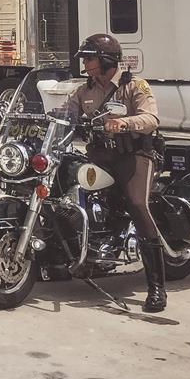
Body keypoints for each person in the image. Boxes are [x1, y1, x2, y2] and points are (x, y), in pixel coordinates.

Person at [65, 33, 167, 313]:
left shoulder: (133, 86)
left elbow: (151, 119)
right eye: (84, 58)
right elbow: (65, 116)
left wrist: (124, 123)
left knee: (136, 203)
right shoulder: (83, 90)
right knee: (64, 190)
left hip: (134, 156)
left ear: (107, 60)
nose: (85, 63)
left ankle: (156, 286)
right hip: (100, 156)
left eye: (89, 58)